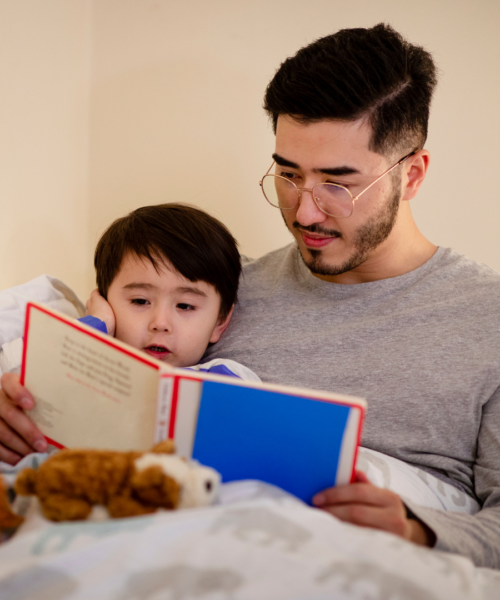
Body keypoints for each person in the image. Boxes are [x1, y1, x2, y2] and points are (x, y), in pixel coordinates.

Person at [203, 23, 500, 568]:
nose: (306, 211)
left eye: (338, 183)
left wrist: (416, 531)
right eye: (289, 175)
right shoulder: (218, 296)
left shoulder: (489, 320)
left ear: (412, 175)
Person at [0, 203, 259, 466]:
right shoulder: (77, 361)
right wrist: (98, 323)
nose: (160, 323)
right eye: (139, 301)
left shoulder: (227, 375)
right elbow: (24, 375)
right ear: (106, 301)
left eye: (185, 305)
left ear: (220, 322)